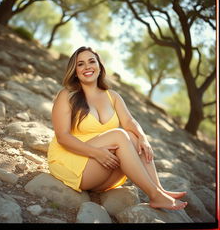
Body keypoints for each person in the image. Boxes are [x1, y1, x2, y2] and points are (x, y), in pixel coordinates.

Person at [47, 46, 188, 210]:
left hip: (101, 170)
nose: (87, 67)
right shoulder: (67, 95)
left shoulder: (112, 96)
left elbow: (129, 121)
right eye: (80, 64)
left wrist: (143, 137)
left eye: (92, 61)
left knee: (134, 137)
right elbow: (63, 137)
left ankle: (159, 190)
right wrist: (97, 153)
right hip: (73, 162)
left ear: (100, 66)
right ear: (75, 70)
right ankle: (155, 196)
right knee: (120, 135)